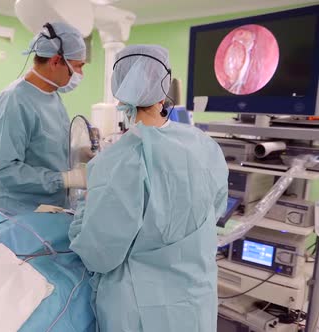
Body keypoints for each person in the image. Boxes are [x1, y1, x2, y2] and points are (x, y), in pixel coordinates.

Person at [69, 45, 228, 332]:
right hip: (194, 303)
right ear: (166, 85)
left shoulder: (119, 161)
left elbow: (99, 253)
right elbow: (213, 210)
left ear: (118, 90)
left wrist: (81, 219)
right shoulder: (204, 145)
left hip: (140, 310)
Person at [0, 22, 90, 215]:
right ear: (56, 61)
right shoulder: (13, 102)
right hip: (16, 217)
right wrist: (66, 179)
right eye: (78, 66)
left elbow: (47, 148)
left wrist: (79, 152)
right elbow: (3, 172)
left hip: (48, 211)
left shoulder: (51, 96)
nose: (81, 74)